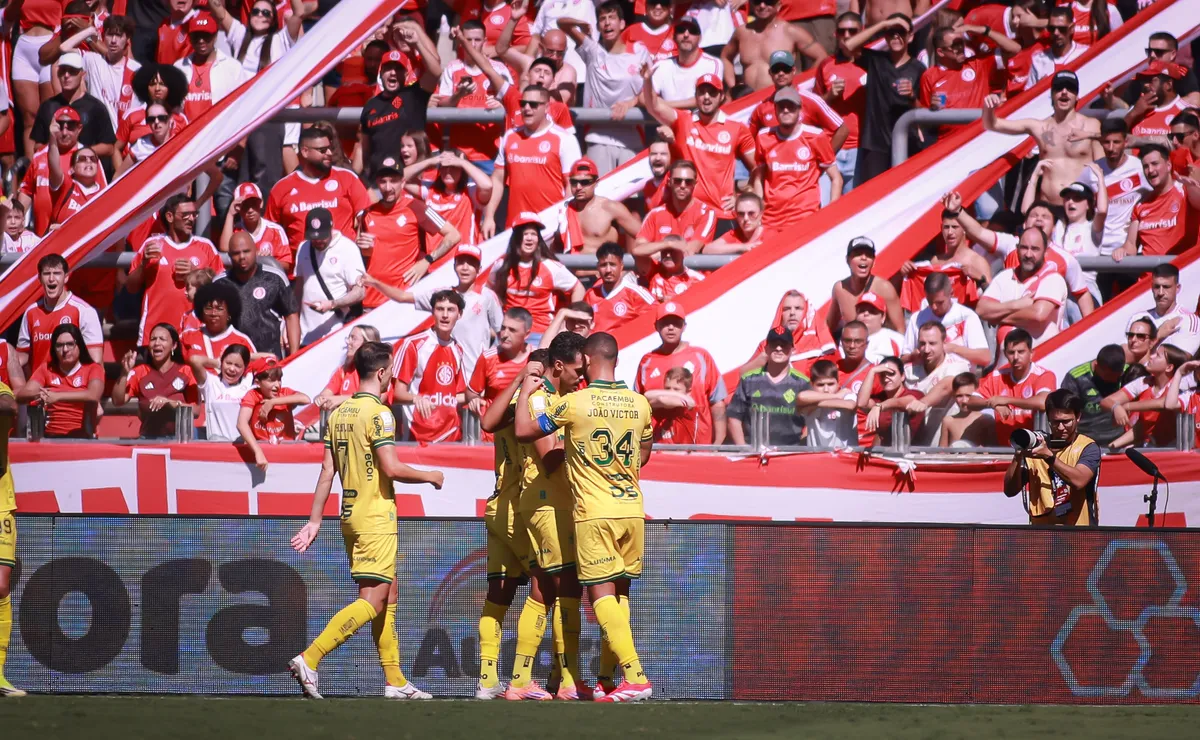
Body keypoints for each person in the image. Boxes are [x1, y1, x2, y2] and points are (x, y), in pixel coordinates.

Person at [289, 341, 442, 700]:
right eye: (392, 370)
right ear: (383, 372)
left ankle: (395, 681)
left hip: (350, 516)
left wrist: (314, 521)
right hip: (375, 516)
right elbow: (391, 467)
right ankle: (310, 658)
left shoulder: (339, 413)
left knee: (389, 593)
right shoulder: (379, 413)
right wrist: (430, 475)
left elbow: (327, 470)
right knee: (372, 601)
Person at [514, 331, 655, 703]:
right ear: (617, 360)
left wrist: (526, 393)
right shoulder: (640, 403)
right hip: (632, 510)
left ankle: (635, 677)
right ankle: (610, 679)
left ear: (589, 361)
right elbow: (643, 453)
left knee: (598, 594)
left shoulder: (576, 403)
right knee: (621, 592)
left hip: (595, 512)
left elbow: (525, 430)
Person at [503, 331, 589, 701]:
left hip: (554, 501)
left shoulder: (560, 398)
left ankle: (524, 680)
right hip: (544, 501)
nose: (581, 377)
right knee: (566, 585)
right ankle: (566, 680)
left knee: (544, 589)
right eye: (576, 370)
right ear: (558, 366)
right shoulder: (540, 399)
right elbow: (549, 457)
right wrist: (584, 443)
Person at [474, 351, 544, 699]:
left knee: (499, 595)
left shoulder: (512, 403)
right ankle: (522, 677)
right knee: (547, 584)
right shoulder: (536, 404)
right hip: (519, 511)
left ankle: (487, 680)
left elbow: (487, 422)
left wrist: (517, 380)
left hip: (499, 507)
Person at [362, 245, 504, 377]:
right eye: (461, 262)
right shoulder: (442, 296)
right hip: (446, 372)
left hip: (477, 373)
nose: (465, 268)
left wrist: (492, 364)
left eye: (471, 264)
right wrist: (374, 282)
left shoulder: (488, 297)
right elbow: (403, 297)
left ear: (479, 269)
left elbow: (502, 333)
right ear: (454, 266)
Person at [641, 70, 755, 217]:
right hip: (686, 213)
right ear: (695, 96)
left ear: (721, 97)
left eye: (712, 93)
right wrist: (647, 80)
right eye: (702, 92)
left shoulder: (737, 129)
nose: (706, 97)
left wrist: (740, 196)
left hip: (721, 214)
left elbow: (757, 167)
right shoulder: (683, 120)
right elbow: (653, 106)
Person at [984, 70, 1101, 207]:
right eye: (1058, 88)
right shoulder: (1039, 127)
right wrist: (988, 109)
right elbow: (993, 125)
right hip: (1048, 209)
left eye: (1070, 89)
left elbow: (1102, 170)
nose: (1064, 92)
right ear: (1051, 95)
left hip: (1081, 208)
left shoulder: (1091, 126)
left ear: (1077, 96)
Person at [360, 158, 461, 310]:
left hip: (405, 299)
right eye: (383, 181)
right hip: (372, 300)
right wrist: (364, 249)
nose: (388, 187)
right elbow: (367, 255)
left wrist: (427, 260)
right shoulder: (368, 213)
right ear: (377, 182)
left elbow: (453, 235)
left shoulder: (416, 207)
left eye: (393, 181)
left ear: (403, 182)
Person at [562, 3, 649, 176]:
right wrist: (579, 22)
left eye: (612, 18)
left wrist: (631, 103)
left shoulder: (640, 51)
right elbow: (561, 24)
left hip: (630, 137)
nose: (607, 23)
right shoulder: (593, 51)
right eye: (602, 19)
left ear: (622, 24)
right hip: (597, 137)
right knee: (600, 197)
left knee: (632, 200)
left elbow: (649, 92)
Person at [483, 84, 581, 237]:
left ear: (547, 107)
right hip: (515, 226)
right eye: (523, 103)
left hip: (550, 227)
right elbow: (497, 179)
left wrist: (562, 221)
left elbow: (572, 186)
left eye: (533, 104)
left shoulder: (565, 139)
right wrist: (489, 217)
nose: (526, 108)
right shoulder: (510, 136)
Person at [840, 14, 924, 185]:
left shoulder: (919, 69)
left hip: (907, 142)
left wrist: (912, 97)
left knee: (903, 193)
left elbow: (925, 110)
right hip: (875, 143)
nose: (895, 37)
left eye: (901, 32)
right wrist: (883, 24)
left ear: (911, 36)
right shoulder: (875, 60)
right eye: (891, 33)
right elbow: (848, 46)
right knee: (873, 196)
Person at [128, 195, 224, 344]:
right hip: (155, 334)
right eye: (185, 215)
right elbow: (131, 287)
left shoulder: (206, 247)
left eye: (194, 214)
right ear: (169, 217)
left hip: (195, 333)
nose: (191, 219)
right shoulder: (152, 245)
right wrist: (143, 264)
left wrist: (196, 272)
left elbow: (222, 288)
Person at [1003, 389, 1100, 526]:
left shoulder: (1088, 447)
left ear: (1078, 417)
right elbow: (1010, 490)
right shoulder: (1036, 445)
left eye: (1066, 421)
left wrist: (1049, 457)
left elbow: (1079, 480)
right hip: (1042, 536)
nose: (1060, 427)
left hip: (1079, 534)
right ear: (1048, 418)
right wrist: (1018, 456)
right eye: (1055, 422)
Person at [752, 87, 841, 234]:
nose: (786, 110)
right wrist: (758, 211)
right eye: (781, 107)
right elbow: (758, 179)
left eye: (791, 106)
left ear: (800, 110)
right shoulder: (763, 137)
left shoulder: (816, 136)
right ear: (775, 110)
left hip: (805, 217)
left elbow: (836, 177)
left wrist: (831, 210)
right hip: (771, 219)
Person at [635, 302, 727, 444]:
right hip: (657, 450)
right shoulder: (647, 362)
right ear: (656, 327)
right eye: (665, 323)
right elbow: (637, 405)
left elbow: (718, 402)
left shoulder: (701, 357)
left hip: (697, 448)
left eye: (676, 323)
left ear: (684, 326)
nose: (671, 328)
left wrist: (718, 444)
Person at [266, 127, 371, 251]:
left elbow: (367, 217)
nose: (329, 153)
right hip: (302, 265)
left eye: (330, 148)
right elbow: (271, 231)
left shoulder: (347, 178)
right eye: (322, 150)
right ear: (305, 152)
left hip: (343, 263)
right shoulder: (281, 188)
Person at [432, 22, 514, 178]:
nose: (473, 44)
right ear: (461, 42)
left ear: (485, 40)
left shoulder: (499, 69)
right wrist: (459, 95)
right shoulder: (452, 68)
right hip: (459, 153)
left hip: (492, 152)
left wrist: (502, 105)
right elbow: (441, 105)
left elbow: (513, 102)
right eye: (468, 40)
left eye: (477, 39)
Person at [487, 214, 584, 339]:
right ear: (516, 238)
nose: (529, 238)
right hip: (508, 333)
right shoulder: (501, 265)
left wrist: (569, 322)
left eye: (533, 234)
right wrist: (494, 324)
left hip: (540, 333)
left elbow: (578, 288)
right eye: (525, 234)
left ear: (538, 239)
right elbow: (489, 292)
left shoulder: (551, 267)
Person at [390, 290, 468, 444]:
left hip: (452, 437)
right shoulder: (413, 344)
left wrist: (476, 398)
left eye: (450, 310)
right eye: (440, 309)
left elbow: (457, 395)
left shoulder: (458, 348)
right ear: (433, 312)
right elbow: (397, 394)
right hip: (419, 438)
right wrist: (416, 398)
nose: (445, 315)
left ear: (459, 315)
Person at [19, 105, 109, 237]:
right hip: (41, 236)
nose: (64, 132)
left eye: (71, 126)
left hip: (78, 236)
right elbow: (26, 191)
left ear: (79, 129)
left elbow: (103, 198)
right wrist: (18, 221)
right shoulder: (39, 156)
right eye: (60, 125)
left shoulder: (88, 160)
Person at [918, 24, 1016, 138]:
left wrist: (983, 30)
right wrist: (933, 110)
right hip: (949, 142)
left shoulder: (978, 64)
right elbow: (924, 122)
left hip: (982, 136)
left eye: (961, 43)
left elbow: (1014, 49)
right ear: (940, 52)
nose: (960, 48)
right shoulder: (929, 76)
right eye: (955, 45)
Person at [976, 226, 1068, 347]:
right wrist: (1016, 304)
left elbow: (1037, 315)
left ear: (1045, 251)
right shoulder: (1005, 276)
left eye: (1035, 249)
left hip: (1042, 360)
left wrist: (997, 317)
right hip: (1004, 363)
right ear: (1017, 248)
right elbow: (981, 309)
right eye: (1024, 248)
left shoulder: (1053, 278)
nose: (1028, 254)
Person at [1075, 118, 1151, 261]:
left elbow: (1155, 197)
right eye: (1106, 142)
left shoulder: (1140, 167)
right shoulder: (1091, 171)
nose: (1111, 148)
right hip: (1097, 248)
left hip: (1129, 249)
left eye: (1116, 142)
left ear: (1126, 142)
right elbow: (1075, 201)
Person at [50, 15, 142, 131]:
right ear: (103, 37)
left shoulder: (136, 69)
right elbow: (64, 48)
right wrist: (89, 31)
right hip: (97, 134)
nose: (113, 40)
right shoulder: (92, 60)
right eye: (109, 35)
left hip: (125, 136)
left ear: (127, 38)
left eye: (118, 36)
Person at [216, 233, 300, 358]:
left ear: (256, 251)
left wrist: (294, 356)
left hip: (269, 357)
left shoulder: (275, 278)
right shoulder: (220, 284)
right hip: (234, 360)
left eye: (246, 251)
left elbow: (291, 315)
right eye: (236, 253)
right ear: (229, 256)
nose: (242, 257)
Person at [18, 254, 104, 373]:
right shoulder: (31, 312)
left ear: (66, 277)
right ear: (39, 278)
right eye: (47, 274)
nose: (51, 279)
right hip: (39, 388)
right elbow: (22, 358)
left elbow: (95, 360)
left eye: (57, 273)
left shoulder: (84, 311)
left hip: (71, 388)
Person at [969, 329, 1056, 447]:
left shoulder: (1043, 375)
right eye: (1011, 352)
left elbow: (1043, 402)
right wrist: (992, 403)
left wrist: (1006, 400)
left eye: (1021, 352)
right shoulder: (996, 376)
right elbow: (970, 402)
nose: (1016, 357)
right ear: (1005, 354)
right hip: (1004, 450)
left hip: (1034, 451)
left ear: (1031, 353)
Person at [112, 322, 199, 439]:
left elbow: (196, 411)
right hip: (148, 438)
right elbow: (118, 401)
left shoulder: (186, 371)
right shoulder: (140, 372)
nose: (157, 343)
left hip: (179, 439)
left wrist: (169, 403)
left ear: (173, 346)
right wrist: (124, 373)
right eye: (153, 339)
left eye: (162, 339)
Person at [745, 51, 846, 150]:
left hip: (805, 163)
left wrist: (824, 160)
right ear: (770, 73)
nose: (781, 73)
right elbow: (747, 141)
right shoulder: (762, 108)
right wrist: (759, 164)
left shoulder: (811, 100)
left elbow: (842, 130)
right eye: (776, 70)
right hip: (775, 164)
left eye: (785, 69)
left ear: (793, 71)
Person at [727, 328, 811, 447]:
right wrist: (743, 448)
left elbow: (812, 420)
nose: (778, 348)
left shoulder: (802, 383)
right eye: (774, 344)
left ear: (792, 350)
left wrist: (801, 447)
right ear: (766, 349)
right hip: (755, 454)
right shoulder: (749, 379)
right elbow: (733, 417)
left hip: (790, 455)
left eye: (784, 345)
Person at [17, 323, 104, 439]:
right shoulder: (46, 369)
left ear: (79, 346)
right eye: (59, 345)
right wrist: (41, 394)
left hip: (83, 438)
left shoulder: (93, 369)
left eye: (70, 344)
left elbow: (93, 395)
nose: (65, 350)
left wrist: (57, 396)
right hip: (51, 436)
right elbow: (22, 395)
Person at [294, 207, 365, 347]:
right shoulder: (303, 247)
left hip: (336, 334)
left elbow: (360, 291)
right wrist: (290, 324)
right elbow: (298, 289)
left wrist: (333, 304)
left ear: (331, 228)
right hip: (305, 336)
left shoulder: (347, 249)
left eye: (322, 236)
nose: (318, 241)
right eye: (314, 238)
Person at [358, 50, 435, 179]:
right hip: (379, 180)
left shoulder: (415, 95)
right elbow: (365, 148)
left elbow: (435, 72)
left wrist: (417, 40)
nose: (393, 72)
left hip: (409, 180)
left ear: (405, 74)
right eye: (388, 68)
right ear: (381, 73)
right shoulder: (370, 105)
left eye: (398, 68)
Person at [1113, 144, 1198, 260]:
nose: (1150, 170)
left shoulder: (1184, 191)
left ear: (1168, 165)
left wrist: (1192, 188)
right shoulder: (1141, 205)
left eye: (1154, 164)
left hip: (1180, 274)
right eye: (1145, 166)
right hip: (1149, 276)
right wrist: (1122, 250)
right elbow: (1131, 245)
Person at [812, 12, 866, 192]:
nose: (847, 36)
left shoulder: (872, 64)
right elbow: (813, 106)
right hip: (831, 146)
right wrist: (829, 96)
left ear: (862, 31)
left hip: (861, 148)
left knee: (854, 210)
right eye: (842, 31)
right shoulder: (826, 65)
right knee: (827, 211)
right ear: (835, 34)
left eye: (852, 31)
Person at [30, 51, 117, 162]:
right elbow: (37, 146)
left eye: (72, 71)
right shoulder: (48, 107)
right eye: (63, 71)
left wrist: (78, 153)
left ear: (83, 74)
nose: (66, 75)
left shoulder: (95, 107)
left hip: (86, 169)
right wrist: (56, 150)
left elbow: (109, 148)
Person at [722, 0, 824, 90]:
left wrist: (802, 84)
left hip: (780, 101)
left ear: (778, 5)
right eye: (757, 1)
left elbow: (822, 57)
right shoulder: (742, 32)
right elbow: (725, 57)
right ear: (751, 4)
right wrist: (733, 87)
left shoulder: (791, 31)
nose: (762, 5)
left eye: (769, 1)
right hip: (749, 103)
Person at [403, 150, 494, 252]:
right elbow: (400, 179)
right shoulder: (430, 190)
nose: (448, 172)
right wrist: (431, 161)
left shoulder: (470, 192)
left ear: (462, 170)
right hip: (435, 262)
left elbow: (488, 185)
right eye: (444, 167)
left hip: (462, 262)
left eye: (454, 168)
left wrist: (462, 162)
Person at [903, 272, 991, 368]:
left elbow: (985, 357)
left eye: (939, 302)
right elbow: (903, 359)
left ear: (951, 294)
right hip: (926, 379)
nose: (934, 307)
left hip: (959, 378)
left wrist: (953, 349)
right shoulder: (917, 318)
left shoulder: (967, 316)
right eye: (930, 302)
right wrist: (912, 356)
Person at [634, 160, 718, 259]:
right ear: (669, 182)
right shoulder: (655, 214)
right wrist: (668, 244)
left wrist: (653, 253)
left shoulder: (707, 213)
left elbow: (690, 250)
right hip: (659, 274)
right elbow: (638, 248)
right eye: (678, 181)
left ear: (695, 184)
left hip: (692, 273)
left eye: (688, 182)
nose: (682, 185)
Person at [555, 158, 642, 254]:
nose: (578, 187)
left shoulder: (610, 208)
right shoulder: (564, 210)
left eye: (585, 182)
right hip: (571, 268)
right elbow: (556, 247)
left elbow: (645, 236)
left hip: (602, 267)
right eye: (574, 182)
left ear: (596, 183)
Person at [237, 357, 309, 466]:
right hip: (262, 451)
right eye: (271, 380)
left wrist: (273, 402)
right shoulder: (252, 395)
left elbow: (306, 399)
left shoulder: (285, 393)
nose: (277, 385)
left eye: (279, 379)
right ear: (257, 382)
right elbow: (241, 424)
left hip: (287, 451)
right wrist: (258, 452)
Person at [173, 13, 243, 125]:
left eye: (206, 36)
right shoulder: (179, 67)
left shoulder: (233, 67)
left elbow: (241, 106)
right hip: (186, 134)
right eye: (196, 36)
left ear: (215, 37)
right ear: (190, 38)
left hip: (219, 133)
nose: (201, 40)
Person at [904, 321, 968, 443]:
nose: (926, 349)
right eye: (922, 344)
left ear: (944, 343)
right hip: (914, 447)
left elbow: (946, 385)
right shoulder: (909, 371)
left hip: (945, 448)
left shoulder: (959, 367)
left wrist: (923, 403)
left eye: (932, 343)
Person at [181, 280, 261, 377]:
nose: (214, 313)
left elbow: (252, 373)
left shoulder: (241, 340)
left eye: (219, 309)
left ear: (229, 313)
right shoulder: (187, 336)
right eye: (208, 308)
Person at [467, 307, 533, 419]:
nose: (504, 334)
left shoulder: (536, 358)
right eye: (503, 328)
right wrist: (474, 400)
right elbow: (471, 391)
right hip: (492, 431)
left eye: (512, 330)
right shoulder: (488, 358)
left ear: (526, 335)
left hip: (522, 430)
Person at [827, 236, 904, 333]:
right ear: (847, 260)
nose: (863, 258)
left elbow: (900, 330)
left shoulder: (884, 288)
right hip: (851, 345)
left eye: (869, 255)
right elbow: (828, 328)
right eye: (858, 254)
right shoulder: (840, 289)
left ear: (873, 261)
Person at [1060, 344, 1130, 448]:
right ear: (1097, 365)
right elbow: (1066, 412)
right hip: (1085, 440)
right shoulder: (1076, 377)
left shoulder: (1128, 372)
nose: (1113, 380)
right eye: (1108, 376)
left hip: (1120, 440)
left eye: (1116, 377)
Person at [0, 373, 21, 695]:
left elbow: (9, 408)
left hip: (0, 501)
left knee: (1, 585)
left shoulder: (1, 390)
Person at [648, 17, 722, 108]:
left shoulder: (712, 64)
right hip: (667, 121)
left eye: (692, 31)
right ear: (674, 37)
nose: (686, 35)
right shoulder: (662, 65)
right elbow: (643, 96)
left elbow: (710, 97)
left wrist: (664, 105)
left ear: (700, 38)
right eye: (681, 30)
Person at [583, 242, 656, 332]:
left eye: (612, 265)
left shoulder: (635, 293)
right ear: (598, 267)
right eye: (603, 265)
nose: (608, 270)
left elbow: (657, 318)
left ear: (621, 266)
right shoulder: (591, 295)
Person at [855, 356, 924, 447]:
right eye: (882, 375)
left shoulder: (915, 394)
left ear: (902, 376)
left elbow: (906, 401)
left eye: (891, 373)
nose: (886, 378)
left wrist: (880, 406)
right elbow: (861, 403)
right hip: (885, 455)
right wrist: (872, 372)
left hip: (911, 455)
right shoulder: (879, 398)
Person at [314, 325, 382, 412]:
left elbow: (378, 398)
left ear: (367, 344)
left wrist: (343, 399)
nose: (348, 342)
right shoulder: (344, 370)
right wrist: (320, 399)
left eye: (353, 338)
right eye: (349, 338)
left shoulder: (378, 370)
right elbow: (325, 394)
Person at [795, 358, 858, 448]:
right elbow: (801, 396)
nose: (826, 389)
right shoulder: (839, 395)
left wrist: (814, 405)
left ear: (838, 383)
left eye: (830, 384)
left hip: (845, 458)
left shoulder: (846, 394)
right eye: (820, 385)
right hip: (817, 457)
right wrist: (836, 397)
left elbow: (850, 405)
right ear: (812, 384)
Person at [1125, 61, 1190, 144]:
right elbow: (1116, 137)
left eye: (1150, 80)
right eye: (1143, 81)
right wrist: (1133, 113)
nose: (1145, 85)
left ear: (1168, 84)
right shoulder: (1137, 108)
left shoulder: (1186, 111)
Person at [1026, 6, 1089, 90]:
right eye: (1051, 29)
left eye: (1062, 29)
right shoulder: (1039, 60)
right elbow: (1028, 95)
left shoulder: (1085, 54)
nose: (1056, 33)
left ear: (1072, 28)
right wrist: (1038, 88)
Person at [939, 373, 993, 447]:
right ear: (953, 396)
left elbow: (993, 451)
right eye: (959, 396)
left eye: (968, 395)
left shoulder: (985, 420)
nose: (964, 400)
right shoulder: (948, 421)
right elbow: (942, 452)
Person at [857, 292, 905, 364]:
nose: (866, 314)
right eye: (861, 311)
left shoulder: (897, 339)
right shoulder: (847, 338)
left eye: (872, 311)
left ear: (883, 317)